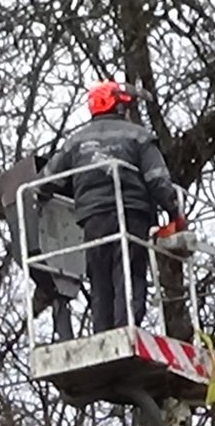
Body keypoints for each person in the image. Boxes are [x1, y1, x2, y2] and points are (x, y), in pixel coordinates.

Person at [40, 80, 185, 332]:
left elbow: (47, 180)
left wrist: (37, 200)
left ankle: (104, 334)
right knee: (129, 274)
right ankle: (127, 330)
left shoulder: (75, 141)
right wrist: (175, 212)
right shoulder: (138, 136)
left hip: (92, 218)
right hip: (131, 215)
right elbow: (158, 179)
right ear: (118, 106)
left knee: (100, 279)